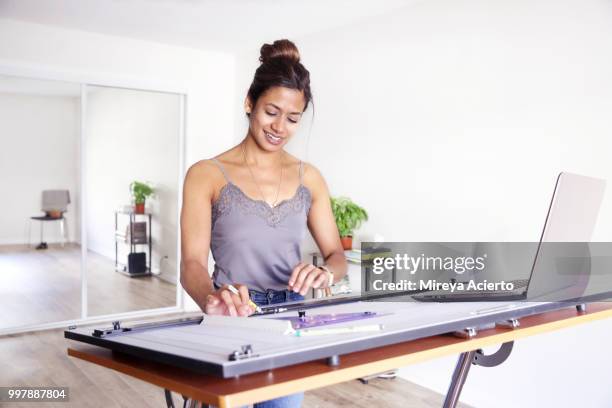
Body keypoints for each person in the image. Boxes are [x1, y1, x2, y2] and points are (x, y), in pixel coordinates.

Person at [180, 39, 348, 407]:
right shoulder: (206, 175)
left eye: (293, 118)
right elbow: (191, 263)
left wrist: (326, 275)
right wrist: (211, 297)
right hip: (233, 317)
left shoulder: (310, 177)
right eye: (272, 111)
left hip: (289, 323)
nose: (280, 127)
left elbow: (336, 254)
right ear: (249, 103)